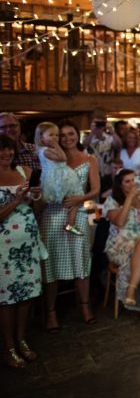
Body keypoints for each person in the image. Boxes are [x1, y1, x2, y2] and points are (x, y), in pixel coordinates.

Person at [41, 121, 100, 333]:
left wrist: (78, 199)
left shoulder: (89, 159)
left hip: (79, 213)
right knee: (51, 265)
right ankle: (50, 312)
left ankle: (85, 307)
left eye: (70, 134)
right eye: (61, 135)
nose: (66, 138)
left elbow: (96, 190)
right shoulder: (49, 157)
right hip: (54, 214)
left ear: (77, 135)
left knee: (81, 262)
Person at [0, 135, 46, 368]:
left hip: (28, 242)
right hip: (3, 248)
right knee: (7, 299)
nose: (6, 154)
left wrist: (36, 195)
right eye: (1, 150)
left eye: (8, 150)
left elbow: (39, 206)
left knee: (27, 294)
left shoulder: (25, 170)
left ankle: (22, 340)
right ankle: (8, 347)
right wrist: (17, 200)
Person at [103, 169, 140, 324]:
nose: (132, 184)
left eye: (133, 180)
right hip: (119, 244)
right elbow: (120, 222)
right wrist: (129, 199)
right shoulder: (112, 201)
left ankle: (132, 289)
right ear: (120, 184)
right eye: (127, 181)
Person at [35, 122, 83, 236]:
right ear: (41, 138)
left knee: (75, 200)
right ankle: (68, 224)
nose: (55, 138)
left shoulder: (49, 149)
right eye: (51, 135)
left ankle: (70, 223)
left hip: (63, 176)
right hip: (57, 178)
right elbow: (62, 158)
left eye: (57, 135)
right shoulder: (45, 150)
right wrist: (57, 145)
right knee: (66, 200)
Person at [84, 111, 121, 198]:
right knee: (93, 197)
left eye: (100, 123)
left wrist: (112, 131)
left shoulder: (109, 138)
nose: (99, 126)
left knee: (105, 197)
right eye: (96, 123)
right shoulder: (89, 138)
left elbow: (118, 145)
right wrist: (92, 132)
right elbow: (84, 145)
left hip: (107, 173)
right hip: (92, 173)